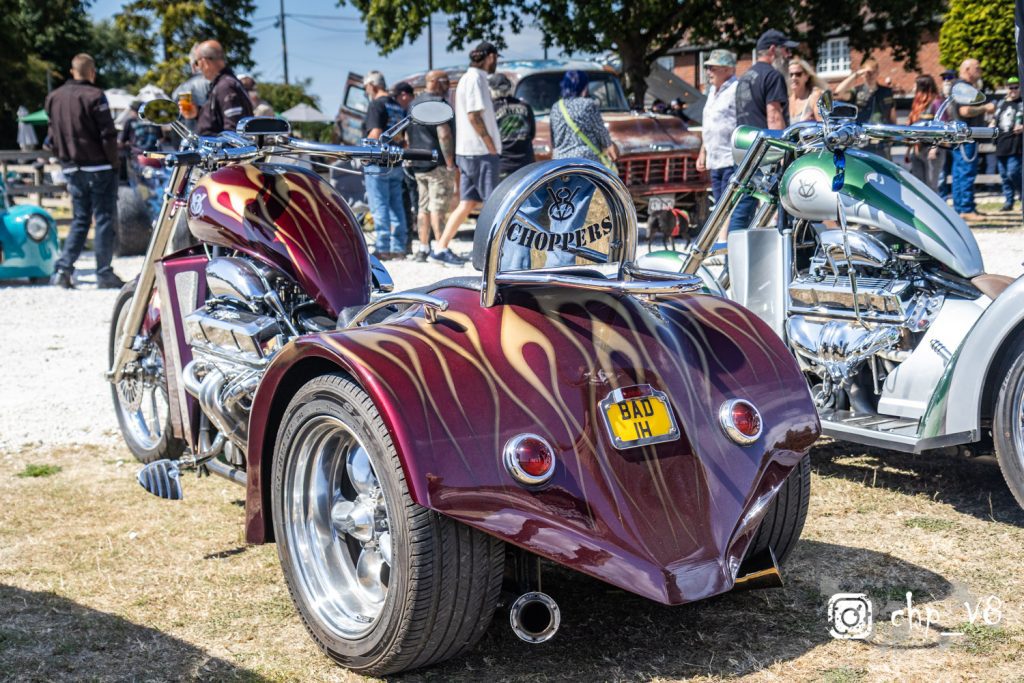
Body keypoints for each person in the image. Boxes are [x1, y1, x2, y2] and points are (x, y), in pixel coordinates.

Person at [45, 53, 123, 289]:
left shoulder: (53, 97)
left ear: (72, 71)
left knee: (80, 219)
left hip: (71, 166)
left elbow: (51, 136)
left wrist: (63, 158)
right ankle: (103, 273)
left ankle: (63, 270)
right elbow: (108, 134)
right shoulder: (95, 95)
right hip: (99, 165)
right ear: (92, 72)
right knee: (103, 219)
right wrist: (114, 163)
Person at [430, 41, 502, 267]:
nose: (497, 62)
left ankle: (440, 249)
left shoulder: (468, 78)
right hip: (479, 151)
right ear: (489, 57)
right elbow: (474, 116)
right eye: (496, 57)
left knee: (467, 203)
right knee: (494, 204)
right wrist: (490, 144)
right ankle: (495, 255)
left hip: (468, 151)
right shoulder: (476, 79)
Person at [732, 29, 795, 232]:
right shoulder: (772, 76)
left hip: (744, 150)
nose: (789, 55)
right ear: (773, 49)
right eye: (786, 50)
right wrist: (787, 154)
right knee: (784, 208)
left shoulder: (744, 77)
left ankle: (731, 261)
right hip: (765, 154)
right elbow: (774, 119)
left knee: (742, 209)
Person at [408, 71, 456, 262]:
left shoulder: (414, 104)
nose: (448, 86)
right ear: (435, 82)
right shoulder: (438, 104)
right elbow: (444, 134)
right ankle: (440, 248)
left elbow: (406, 133)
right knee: (438, 207)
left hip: (418, 161)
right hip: (437, 163)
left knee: (423, 207)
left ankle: (423, 248)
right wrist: (450, 162)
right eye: (445, 82)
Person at [360, 71, 409, 260]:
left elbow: (375, 134)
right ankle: (398, 248)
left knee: (379, 206)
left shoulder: (376, 105)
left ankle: (383, 248)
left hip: (378, 163)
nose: (366, 91)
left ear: (372, 85)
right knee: (396, 206)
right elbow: (403, 137)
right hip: (395, 161)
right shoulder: (396, 105)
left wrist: (364, 156)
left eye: (366, 87)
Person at [950, 58, 996, 220]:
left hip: (961, 137)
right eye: (978, 68)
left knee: (959, 173)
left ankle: (961, 208)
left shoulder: (959, 86)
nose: (980, 71)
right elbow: (965, 111)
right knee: (966, 173)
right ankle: (966, 208)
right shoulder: (963, 87)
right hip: (966, 137)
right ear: (967, 69)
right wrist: (986, 107)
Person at [695, 50, 739, 205]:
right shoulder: (712, 91)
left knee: (727, 207)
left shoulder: (736, 89)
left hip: (730, 159)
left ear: (727, 69)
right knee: (719, 206)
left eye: (712, 68)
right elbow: (709, 124)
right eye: (707, 68)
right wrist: (703, 152)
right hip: (714, 160)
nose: (708, 72)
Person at [835, 57, 896, 157]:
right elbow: (838, 92)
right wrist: (857, 74)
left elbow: (892, 116)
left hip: (882, 142)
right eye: (867, 73)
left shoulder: (886, 92)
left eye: (873, 72)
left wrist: (892, 136)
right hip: (861, 142)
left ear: (877, 73)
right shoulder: (857, 91)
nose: (870, 75)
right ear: (863, 74)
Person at [192, 40, 253, 136]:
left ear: (204, 62)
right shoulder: (225, 83)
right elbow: (217, 120)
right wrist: (197, 113)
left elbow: (234, 134)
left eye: (196, 62)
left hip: (220, 150)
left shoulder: (225, 86)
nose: (197, 67)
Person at [488, 73, 536, 178]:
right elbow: (532, 134)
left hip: (503, 164)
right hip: (526, 163)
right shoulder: (525, 106)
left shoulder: (491, 109)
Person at [905, 75, 947, 191]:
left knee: (931, 187)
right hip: (918, 148)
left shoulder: (937, 102)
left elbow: (943, 128)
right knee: (918, 186)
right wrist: (909, 149)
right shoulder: (917, 104)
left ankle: (935, 209)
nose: (913, 88)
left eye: (916, 85)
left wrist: (935, 148)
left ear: (922, 87)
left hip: (932, 150)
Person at [994, 76, 1023, 212]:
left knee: (1013, 173)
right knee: (1004, 176)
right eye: (1010, 87)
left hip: (1016, 145)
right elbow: (994, 120)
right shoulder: (1002, 104)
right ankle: (1008, 201)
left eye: (1016, 87)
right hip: (1001, 143)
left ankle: (1021, 195)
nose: (1013, 90)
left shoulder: (1021, 103)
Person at [172, 43, 212, 133]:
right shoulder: (225, 82)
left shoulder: (182, 89)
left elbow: (176, 122)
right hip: (225, 140)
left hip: (195, 141)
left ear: (194, 65)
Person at [788, 57, 827, 122]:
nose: (793, 78)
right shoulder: (787, 100)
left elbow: (822, 124)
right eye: (791, 74)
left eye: (798, 74)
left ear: (806, 76)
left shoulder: (814, 97)